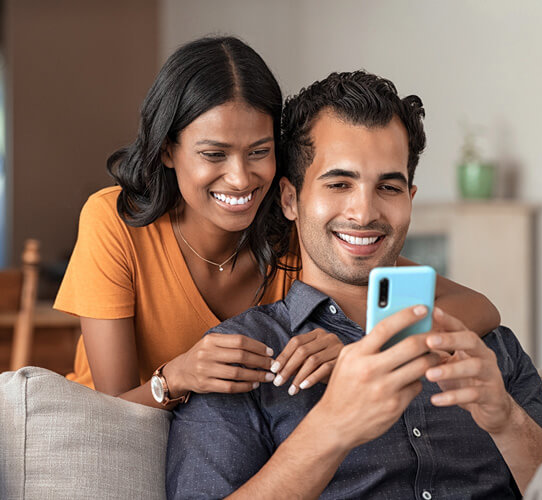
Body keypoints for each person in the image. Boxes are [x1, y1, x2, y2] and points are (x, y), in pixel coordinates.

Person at [165, 70, 542, 499]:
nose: (364, 212)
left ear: (409, 201)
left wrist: (507, 420)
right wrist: (330, 429)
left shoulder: (487, 349)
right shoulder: (241, 358)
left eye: (388, 186)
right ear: (290, 199)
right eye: (339, 184)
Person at [54, 36, 501, 410]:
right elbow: (109, 408)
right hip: (120, 435)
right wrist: (178, 375)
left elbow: (479, 307)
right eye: (214, 154)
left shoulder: (296, 231)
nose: (241, 177)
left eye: (259, 151)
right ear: (168, 149)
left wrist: (361, 346)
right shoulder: (116, 221)